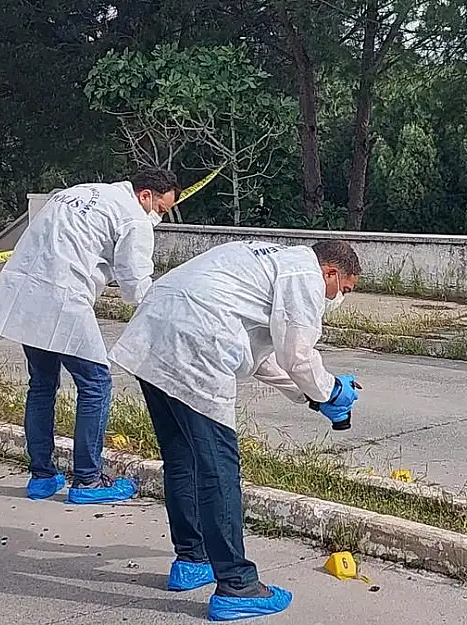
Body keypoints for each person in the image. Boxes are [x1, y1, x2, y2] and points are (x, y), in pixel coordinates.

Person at [108, 239, 361, 622]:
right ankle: (237, 585)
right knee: (218, 468)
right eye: (343, 288)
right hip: (196, 344)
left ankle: (192, 559)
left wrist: (314, 397)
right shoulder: (305, 276)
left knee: (183, 459)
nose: (339, 297)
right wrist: (331, 390)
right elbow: (299, 355)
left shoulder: (266, 260)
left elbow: (263, 358)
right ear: (331, 272)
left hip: (156, 333)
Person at [0, 168, 180, 504]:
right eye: (161, 209)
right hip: (64, 296)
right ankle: (87, 480)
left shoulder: (81, 191)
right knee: (96, 384)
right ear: (146, 195)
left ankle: (42, 476)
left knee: (42, 384)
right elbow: (135, 287)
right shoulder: (133, 217)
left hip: (25, 293)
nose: (159, 217)